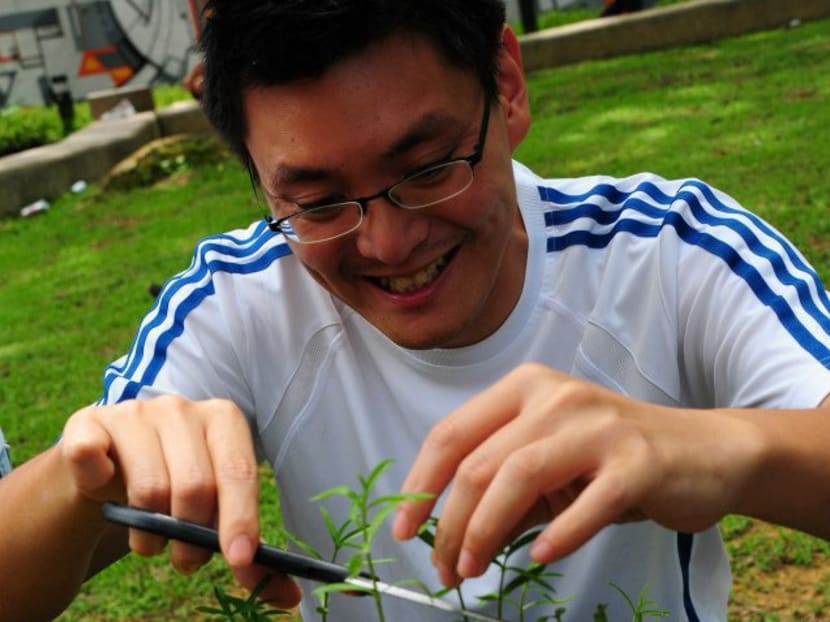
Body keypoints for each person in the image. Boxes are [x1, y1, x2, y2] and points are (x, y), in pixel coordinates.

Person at [1, 1, 829, 620]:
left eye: (430, 167)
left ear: (504, 88)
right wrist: (86, 478)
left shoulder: (667, 249)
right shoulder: (238, 303)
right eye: (317, 203)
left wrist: (715, 448)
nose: (390, 244)